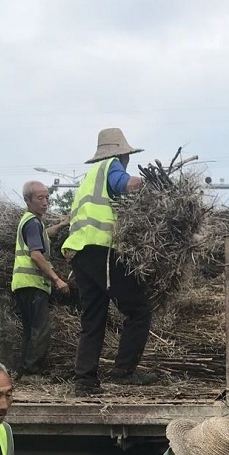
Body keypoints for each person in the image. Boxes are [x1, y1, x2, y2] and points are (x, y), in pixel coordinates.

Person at [61, 127, 157, 395]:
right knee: (138, 310)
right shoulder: (111, 167)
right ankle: (124, 371)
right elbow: (126, 184)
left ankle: (85, 381)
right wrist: (150, 185)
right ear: (122, 154)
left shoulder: (88, 179)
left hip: (79, 253)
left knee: (93, 317)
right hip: (101, 250)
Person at [11, 180, 70, 380]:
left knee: (30, 329)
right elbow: (36, 255)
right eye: (40, 198)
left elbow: (44, 234)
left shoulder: (31, 222)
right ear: (27, 200)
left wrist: (61, 224)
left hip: (22, 284)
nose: (45, 202)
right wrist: (57, 279)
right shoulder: (33, 223)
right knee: (40, 329)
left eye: (47, 198)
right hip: (32, 283)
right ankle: (31, 371)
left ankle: (25, 370)